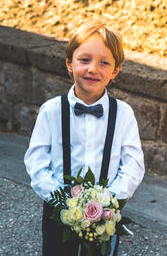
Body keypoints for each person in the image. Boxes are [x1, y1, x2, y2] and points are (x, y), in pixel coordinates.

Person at [24, 18, 145, 256]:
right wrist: (61, 200)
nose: (93, 69)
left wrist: (109, 200)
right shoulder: (51, 110)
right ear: (69, 63)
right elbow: (36, 162)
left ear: (115, 70)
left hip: (105, 215)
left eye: (104, 63)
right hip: (59, 211)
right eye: (84, 60)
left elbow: (133, 165)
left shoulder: (123, 114)